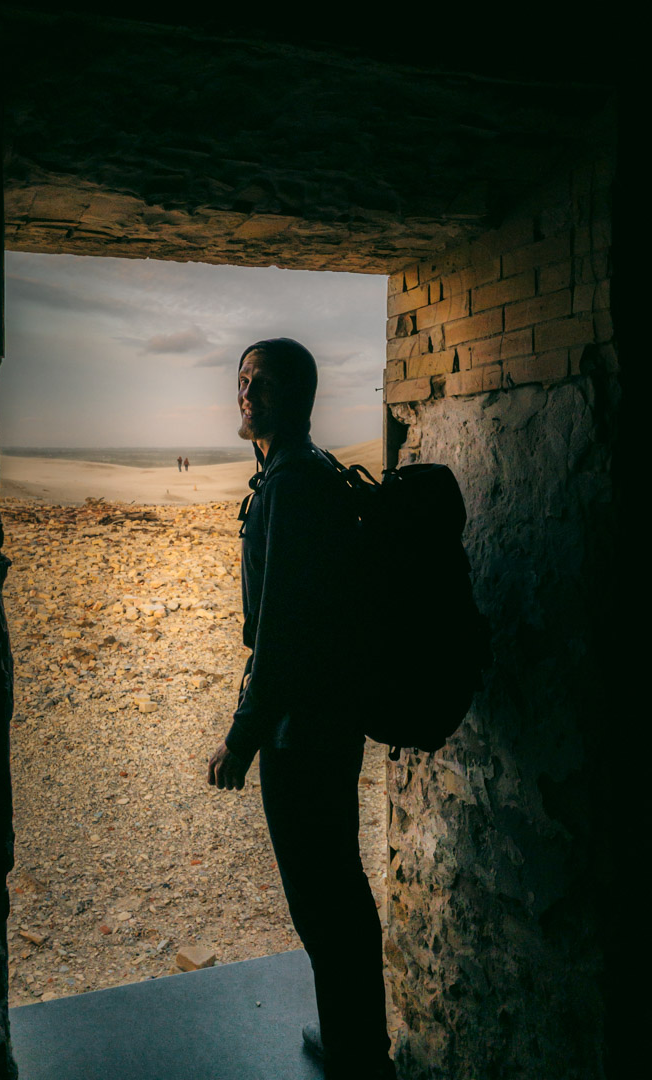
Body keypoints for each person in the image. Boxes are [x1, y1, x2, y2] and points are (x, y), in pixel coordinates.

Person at [207, 338, 395, 1080]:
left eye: (260, 383)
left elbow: (279, 634)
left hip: (301, 731)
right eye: (242, 380)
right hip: (328, 720)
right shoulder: (307, 473)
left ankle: (356, 1052)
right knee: (335, 888)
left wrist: (240, 739)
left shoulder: (288, 485)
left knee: (323, 899)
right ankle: (355, 1040)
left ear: (294, 397)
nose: (245, 393)